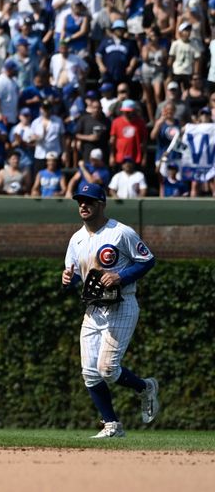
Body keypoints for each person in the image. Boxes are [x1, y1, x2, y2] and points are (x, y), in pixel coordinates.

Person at [62, 181, 159, 438]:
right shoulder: (77, 238)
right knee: (90, 373)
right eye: (80, 201)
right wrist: (67, 278)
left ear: (101, 203)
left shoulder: (120, 232)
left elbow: (148, 260)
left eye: (89, 201)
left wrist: (121, 277)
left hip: (122, 304)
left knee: (107, 369)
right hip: (93, 309)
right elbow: (74, 275)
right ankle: (111, 425)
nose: (83, 205)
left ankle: (145, 387)